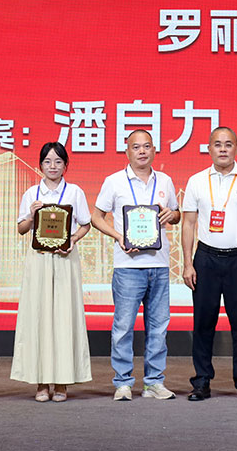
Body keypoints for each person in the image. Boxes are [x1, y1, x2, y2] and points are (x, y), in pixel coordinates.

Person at [181, 126, 237, 401]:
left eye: (228, 144)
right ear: (209, 148)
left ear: (236, 148)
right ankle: (201, 381)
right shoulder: (196, 181)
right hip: (205, 259)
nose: (222, 149)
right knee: (203, 322)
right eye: (217, 144)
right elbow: (188, 223)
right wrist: (187, 263)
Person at [92, 129, 181, 401]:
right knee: (123, 327)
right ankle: (123, 382)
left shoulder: (164, 180)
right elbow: (96, 217)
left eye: (147, 146)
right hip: (127, 266)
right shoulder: (114, 181)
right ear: (127, 151)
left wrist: (172, 214)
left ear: (154, 150)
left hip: (159, 264)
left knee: (159, 326)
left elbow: (177, 214)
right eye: (136, 147)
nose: (142, 151)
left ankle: (154, 382)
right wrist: (119, 236)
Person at [10, 142, 93, 402]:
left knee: (64, 317)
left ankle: (62, 382)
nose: (53, 166)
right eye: (47, 161)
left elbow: (86, 224)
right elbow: (21, 229)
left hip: (65, 258)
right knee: (39, 316)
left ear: (65, 165)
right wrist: (31, 215)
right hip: (39, 260)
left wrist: (72, 240)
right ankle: (41, 382)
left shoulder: (75, 192)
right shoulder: (32, 193)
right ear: (40, 166)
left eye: (58, 161)